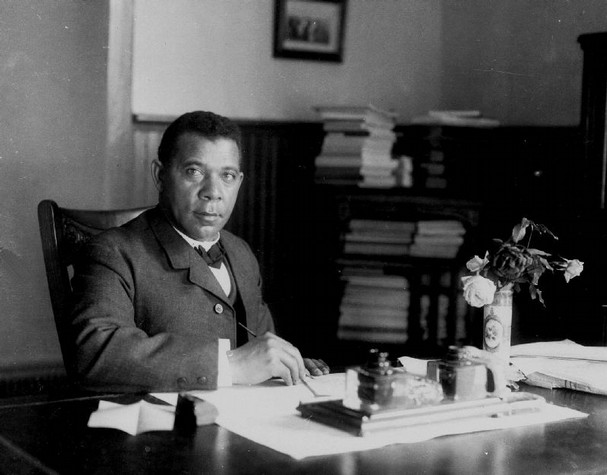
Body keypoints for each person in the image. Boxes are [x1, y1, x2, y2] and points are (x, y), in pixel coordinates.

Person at [70, 110, 329, 392]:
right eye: (194, 172)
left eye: (227, 176)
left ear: (239, 183)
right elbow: (96, 351)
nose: (213, 192)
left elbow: (260, 346)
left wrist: (284, 362)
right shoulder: (114, 251)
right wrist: (229, 366)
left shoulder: (240, 253)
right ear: (160, 176)